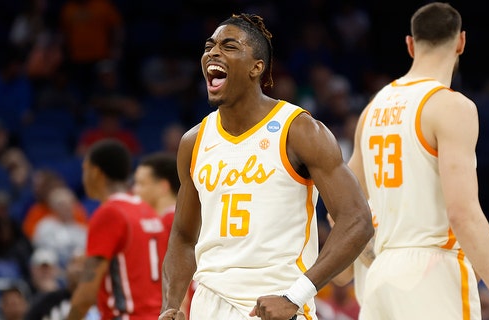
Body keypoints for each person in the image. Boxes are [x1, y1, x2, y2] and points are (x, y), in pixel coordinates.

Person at [159, 13, 374, 320]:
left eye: (229, 46)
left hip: (275, 305)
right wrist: (172, 303)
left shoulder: (298, 130)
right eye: (210, 45)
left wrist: (295, 295)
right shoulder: (193, 141)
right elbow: (182, 236)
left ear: (256, 67)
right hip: (208, 305)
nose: (213, 52)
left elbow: (357, 219)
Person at [347, 3, 489, 319]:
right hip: (433, 271)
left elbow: (344, 204)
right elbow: (462, 213)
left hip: (380, 275)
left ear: (410, 44)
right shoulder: (451, 106)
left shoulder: (372, 109)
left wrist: (368, 255)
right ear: (461, 42)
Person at [67, 139, 169, 320]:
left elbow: (87, 294)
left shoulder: (110, 213)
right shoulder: (147, 211)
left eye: (85, 169)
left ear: (96, 172)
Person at [132, 151, 195, 317]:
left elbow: (180, 274)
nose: (135, 190)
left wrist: (178, 311)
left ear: (163, 187)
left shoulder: (169, 221)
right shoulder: (179, 216)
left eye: (141, 184)